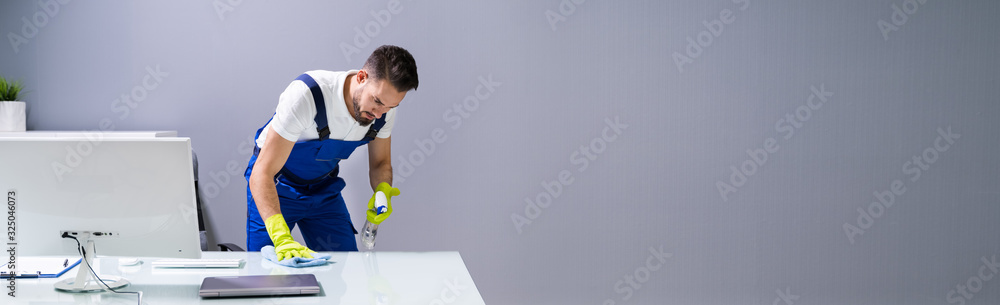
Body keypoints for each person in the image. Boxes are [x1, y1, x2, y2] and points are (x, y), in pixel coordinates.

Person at [244, 45, 418, 258]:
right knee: (265, 268)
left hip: (323, 188)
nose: (380, 113)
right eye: (377, 101)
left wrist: (382, 190)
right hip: (277, 185)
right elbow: (262, 172)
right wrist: (280, 237)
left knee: (342, 265)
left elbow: (381, 163)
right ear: (362, 77)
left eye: (391, 107)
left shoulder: (382, 112)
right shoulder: (308, 95)